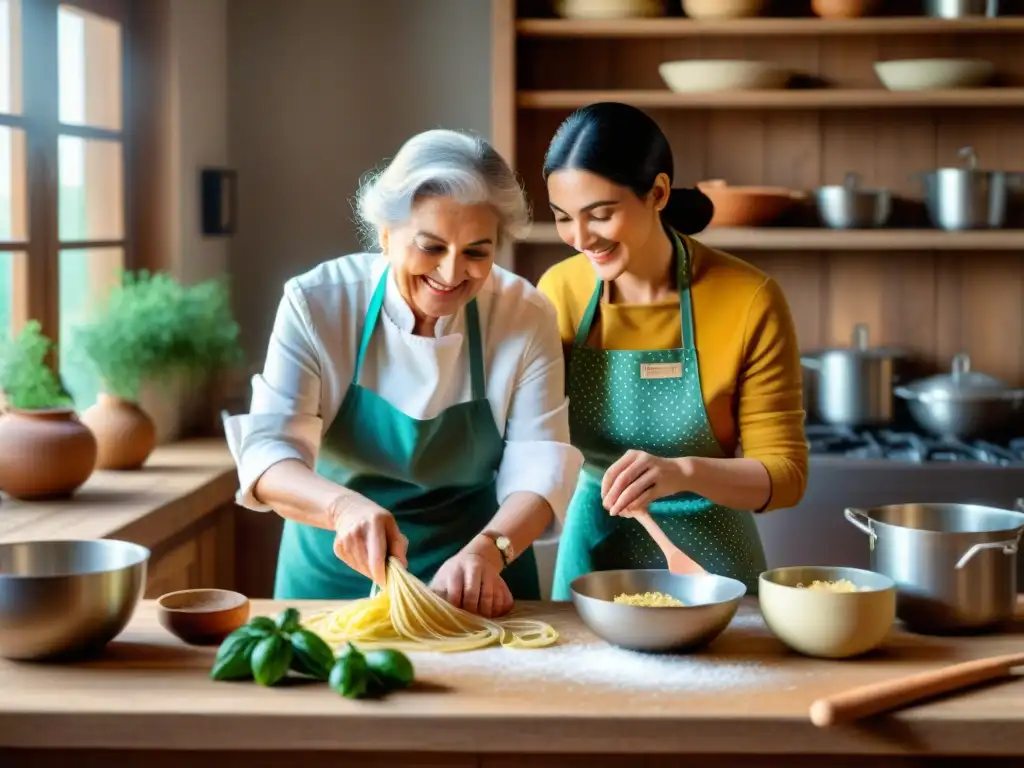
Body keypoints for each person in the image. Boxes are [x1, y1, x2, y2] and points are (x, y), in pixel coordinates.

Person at [224, 129, 583, 617]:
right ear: (386, 234)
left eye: (477, 252)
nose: (452, 272)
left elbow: (540, 469)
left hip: (477, 578)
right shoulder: (318, 303)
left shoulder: (524, 315)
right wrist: (343, 509)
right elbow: (268, 454)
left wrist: (488, 551)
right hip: (334, 578)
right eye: (431, 246)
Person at [536, 102, 808, 599]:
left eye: (601, 215)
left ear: (657, 193)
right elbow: (530, 440)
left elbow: (785, 475)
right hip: (593, 552)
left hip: (713, 565)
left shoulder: (748, 298)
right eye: (563, 218)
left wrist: (682, 472)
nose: (579, 239)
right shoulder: (561, 293)